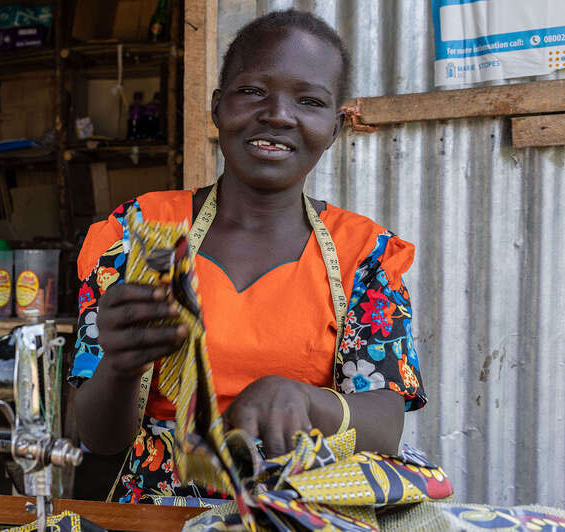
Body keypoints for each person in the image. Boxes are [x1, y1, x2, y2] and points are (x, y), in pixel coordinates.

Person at [69, 9, 425, 504]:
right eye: (253, 91)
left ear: (334, 126)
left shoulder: (362, 253)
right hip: (155, 513)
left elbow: (385, 425)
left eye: (309, 100)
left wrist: (304, 398)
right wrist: (122, 367)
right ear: (217, 107)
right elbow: (97, 438)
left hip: (299, 509)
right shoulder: (139, 235)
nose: (278, 114)